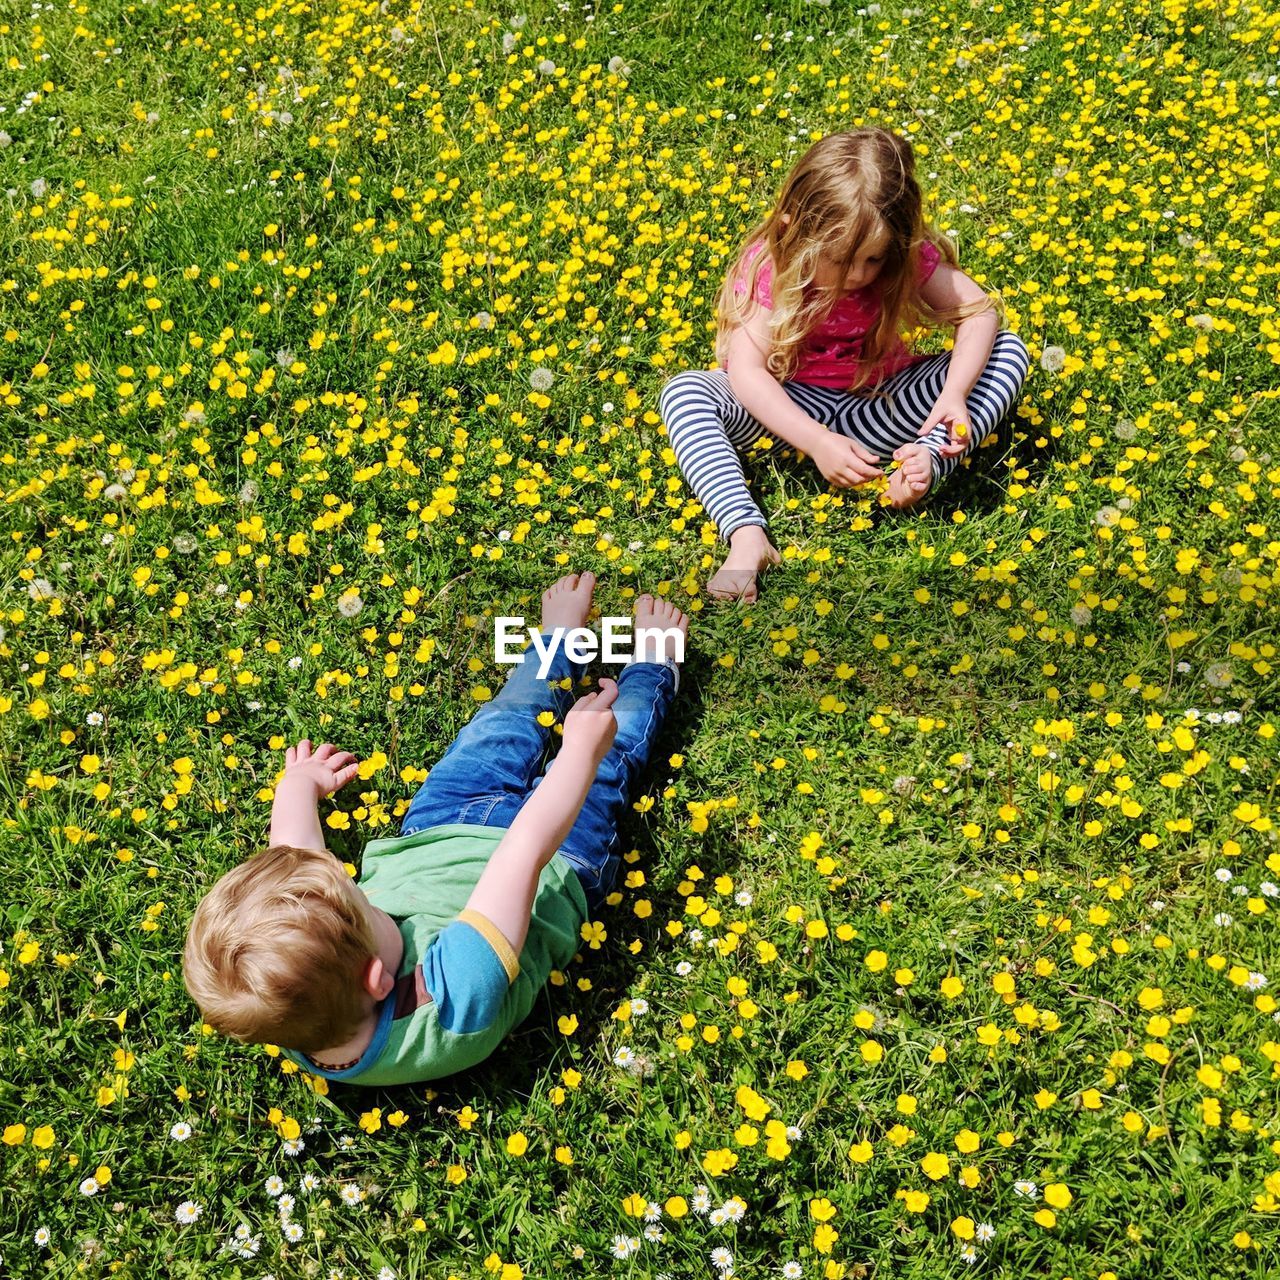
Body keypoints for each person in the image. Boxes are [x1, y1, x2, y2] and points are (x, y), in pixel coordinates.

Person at [182, 573, 687, 1085]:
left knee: (504, 722)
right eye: (363, 899)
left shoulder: (295, 1014)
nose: (350, 876)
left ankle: (559, 641)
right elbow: (526, 848)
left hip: (438, 828)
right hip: (557, 867)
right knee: (607, 757)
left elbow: (296, 868)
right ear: (378, 980)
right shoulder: (450, 996)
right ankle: (654, 662)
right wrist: (578, 752)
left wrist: (296, 789)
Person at [659, 128, 1030, 601]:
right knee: (685, 392)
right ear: (794, 229)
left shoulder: (905, 261)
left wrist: (954, 394)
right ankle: (746, 533)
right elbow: (747, 372)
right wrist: (816, 441)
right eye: (840, 259)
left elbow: (979, 313)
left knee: (1007, 350)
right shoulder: (770, 264)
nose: (858, 274)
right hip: (787, 409)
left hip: (879, 404)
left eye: (874, 259)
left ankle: (924, 461)